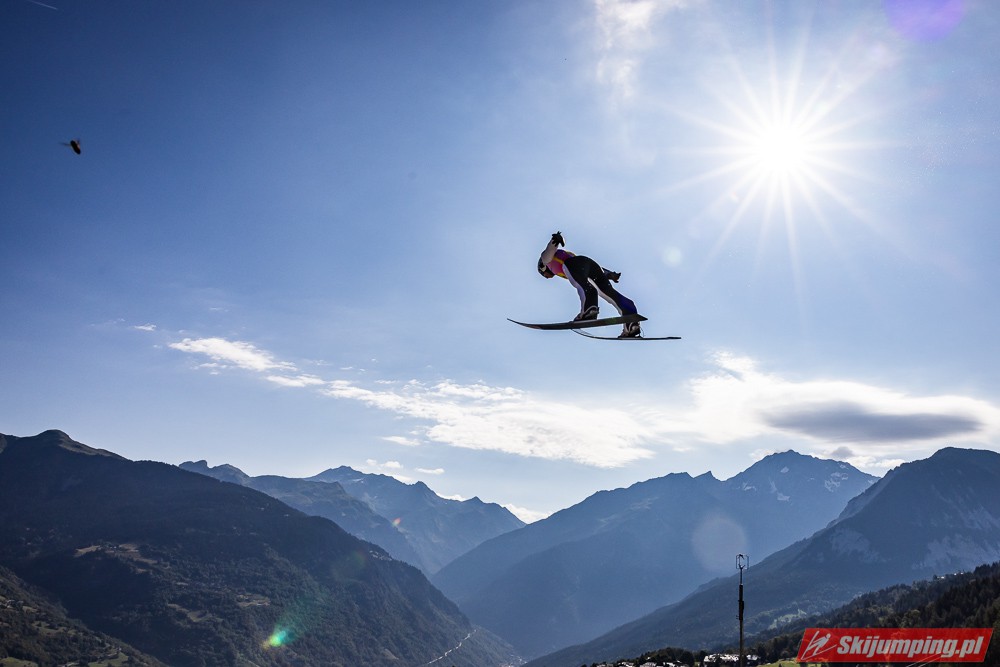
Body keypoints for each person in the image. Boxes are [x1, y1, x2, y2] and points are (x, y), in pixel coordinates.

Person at [537, 231, 641, 338]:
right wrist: (609, 274)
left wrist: (555, 240)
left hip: (574, 264)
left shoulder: (545, 262)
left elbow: (548, 252)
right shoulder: (561, 261)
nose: (547, 277)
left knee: (585, 287)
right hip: (590, 264)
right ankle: (631, 322)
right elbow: (591, 269)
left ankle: (589, 311)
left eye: (544, 275)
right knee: (609, 293)